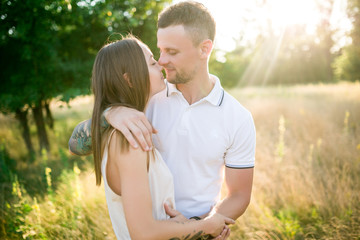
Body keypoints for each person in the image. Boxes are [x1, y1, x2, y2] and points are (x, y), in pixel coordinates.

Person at [69, 1, 256, 238]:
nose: (162, 60)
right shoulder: (148, 98)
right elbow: (76, 145)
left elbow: (239, 194)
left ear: (204, 49)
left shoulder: (237, 117)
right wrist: (110, 113)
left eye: (172, 52)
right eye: (160, 50)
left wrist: (203, 226)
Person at [88, 35, 234, 240]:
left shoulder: (121, 132)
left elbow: (153, 221)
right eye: (152, 62)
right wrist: (208, 226)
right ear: (129, 79)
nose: (161, 65)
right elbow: (143, 233)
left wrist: (188, 228)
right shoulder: (130, 143)